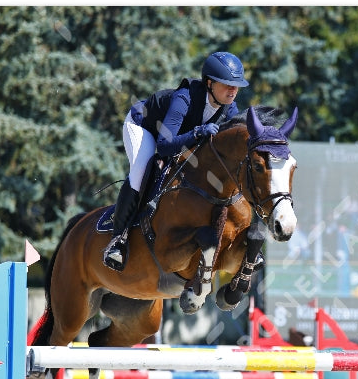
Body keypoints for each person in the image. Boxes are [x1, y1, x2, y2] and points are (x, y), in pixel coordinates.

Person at [103, 51, 250, 271]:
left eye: (236, 85)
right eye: (227, 84)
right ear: (209, 83)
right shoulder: (185, 98)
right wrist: (198, 132)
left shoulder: (230, 109)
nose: (233, 90)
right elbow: (163, 146)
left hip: (176, 138)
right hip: (144, 127)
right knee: (141, 172)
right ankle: (118, 240)